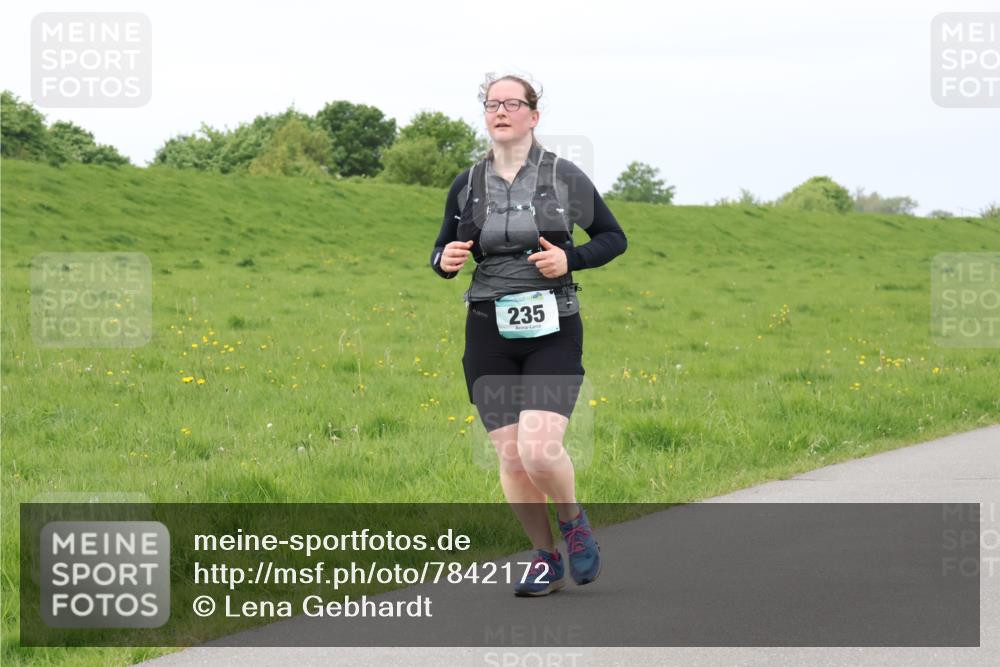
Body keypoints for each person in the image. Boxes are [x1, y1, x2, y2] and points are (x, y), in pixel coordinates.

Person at [430, 73, 627, 596]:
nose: (501, 111)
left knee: (540, 451)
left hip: (552, 327)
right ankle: (544, 558)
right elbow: (442, 251)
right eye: (492, 104)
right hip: (487, 330)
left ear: (534, 116)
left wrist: (571, 257)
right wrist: (445, 261)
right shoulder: (468, 182)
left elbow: (614, 238)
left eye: (512, 103)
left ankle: (574, 522)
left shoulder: (565, 177)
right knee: (512, 456)